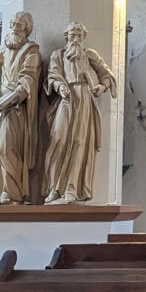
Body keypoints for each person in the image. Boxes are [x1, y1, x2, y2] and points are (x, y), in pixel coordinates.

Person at [43, 22, 117, 204]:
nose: (76, 39)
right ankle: (53, 188)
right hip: (66, 97)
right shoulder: (58, 55)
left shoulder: (90, 55)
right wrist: (60, 86)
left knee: (79, 142)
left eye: (79, 36)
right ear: (66, 37)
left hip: (84, 97)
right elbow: (53, 75)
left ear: (83, 38)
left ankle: (71, 189)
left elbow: (107, 74)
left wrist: (102, 86)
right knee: (58, 139)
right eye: (72, 35)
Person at [0, 12, 40, 204]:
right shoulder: (4, 52)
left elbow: (26, 84)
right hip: (3, 105)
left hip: (14, 108)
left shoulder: (31, 52)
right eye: (13, 23)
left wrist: (4, 102)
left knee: (7, 147)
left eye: (20, 25)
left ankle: (12, 193)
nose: (15, 27)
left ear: (27, 29)